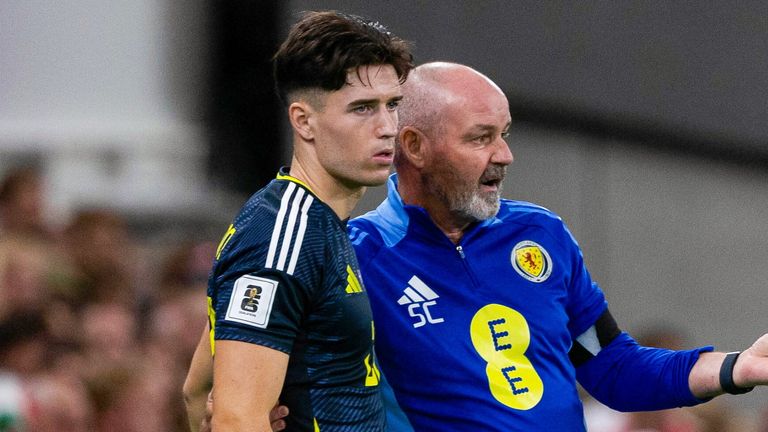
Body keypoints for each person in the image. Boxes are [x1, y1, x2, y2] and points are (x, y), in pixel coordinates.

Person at [346, 61, 768, 431]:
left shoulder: (539, 233)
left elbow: (614, 368)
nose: (505, 155)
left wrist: (738, 367)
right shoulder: (356, 256)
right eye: (480, 138)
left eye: (504, 134)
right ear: (415, 147)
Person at [185, 10, 413, 432]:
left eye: (392, 105)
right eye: (363, 109)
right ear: (303, 121)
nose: (387, 127)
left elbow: (198, 390)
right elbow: (234, 417)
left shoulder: (318, 225)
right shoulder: (280, 238)